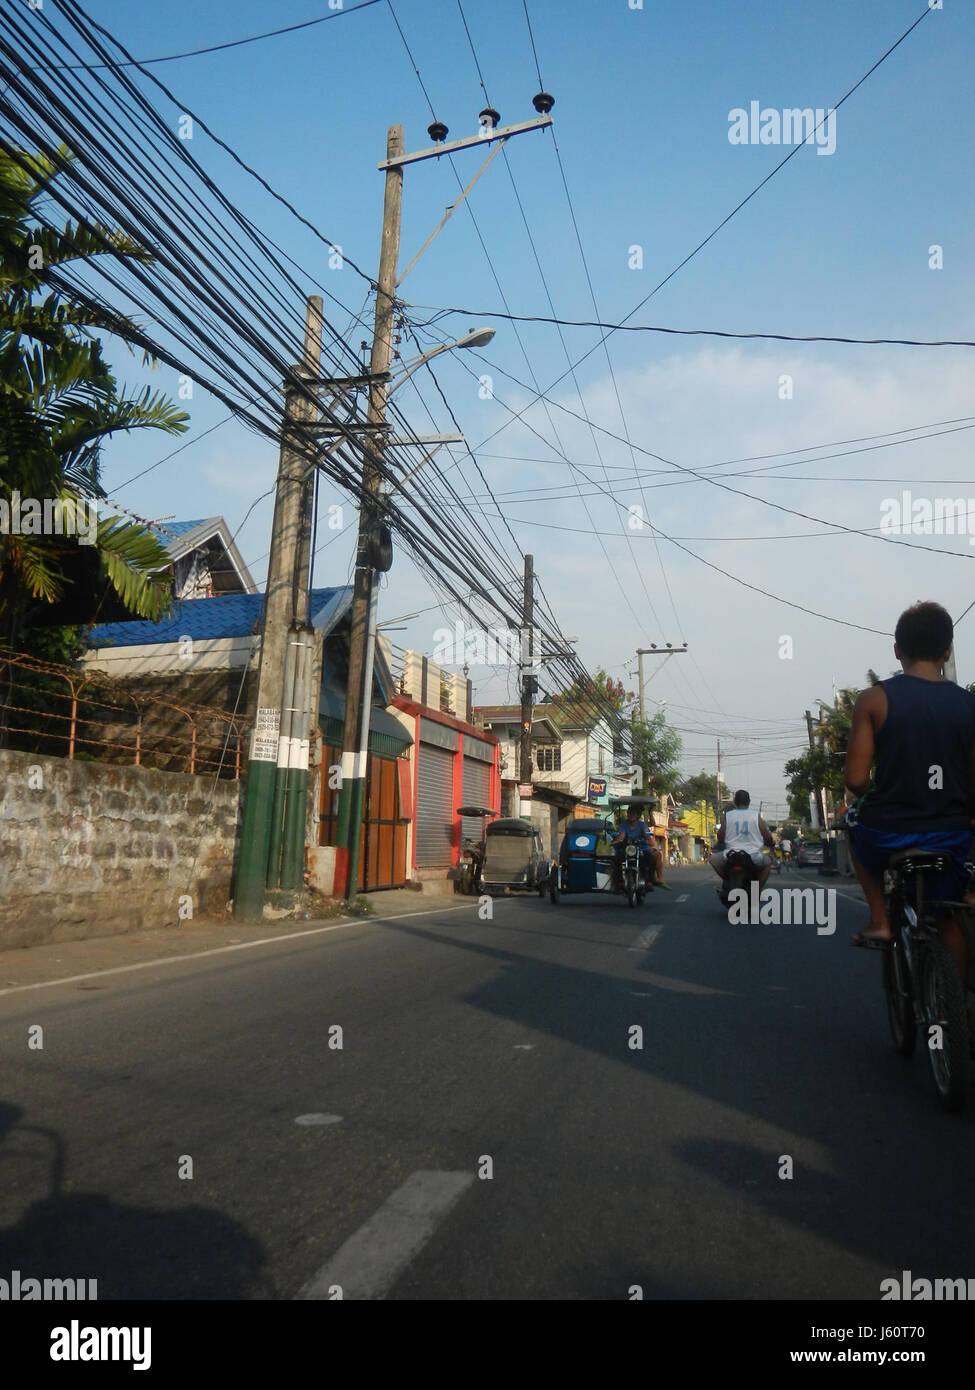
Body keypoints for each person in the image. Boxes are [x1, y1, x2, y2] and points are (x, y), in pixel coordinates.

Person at [844, 601, 975, 983]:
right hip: (950, 836)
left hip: (888, 832)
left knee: (853, 823)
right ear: (947, 651)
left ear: (897, 650)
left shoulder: (873, 700)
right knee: (946, 915)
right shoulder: (969, 705)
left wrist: (879, 794)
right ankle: (960, 1012)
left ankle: (880, 920)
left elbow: (854, 781)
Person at [710, 790, 775, 889]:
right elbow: (766, 835)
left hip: (731, 855)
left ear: (735, 801)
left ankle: (727, 880)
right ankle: (756, 890)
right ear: (749, 802)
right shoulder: (755, 816)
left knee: (713, 859)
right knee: (768, 864)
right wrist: (770, 841)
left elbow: (720, 835)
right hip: (753, 856)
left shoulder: (728, 815)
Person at [612, 804, 669, 890]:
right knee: (616, 860)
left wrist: (649, 840)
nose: (630, 815)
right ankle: (619, 881)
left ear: (638, 815)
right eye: (629, 813)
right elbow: (622, 836)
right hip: (628, 849)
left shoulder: (642, 825)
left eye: (633, 813)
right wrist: (616, 841)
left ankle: (650, 881)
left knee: (651, 859)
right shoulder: (624, 825)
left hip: (641, 849)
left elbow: (646, 834)